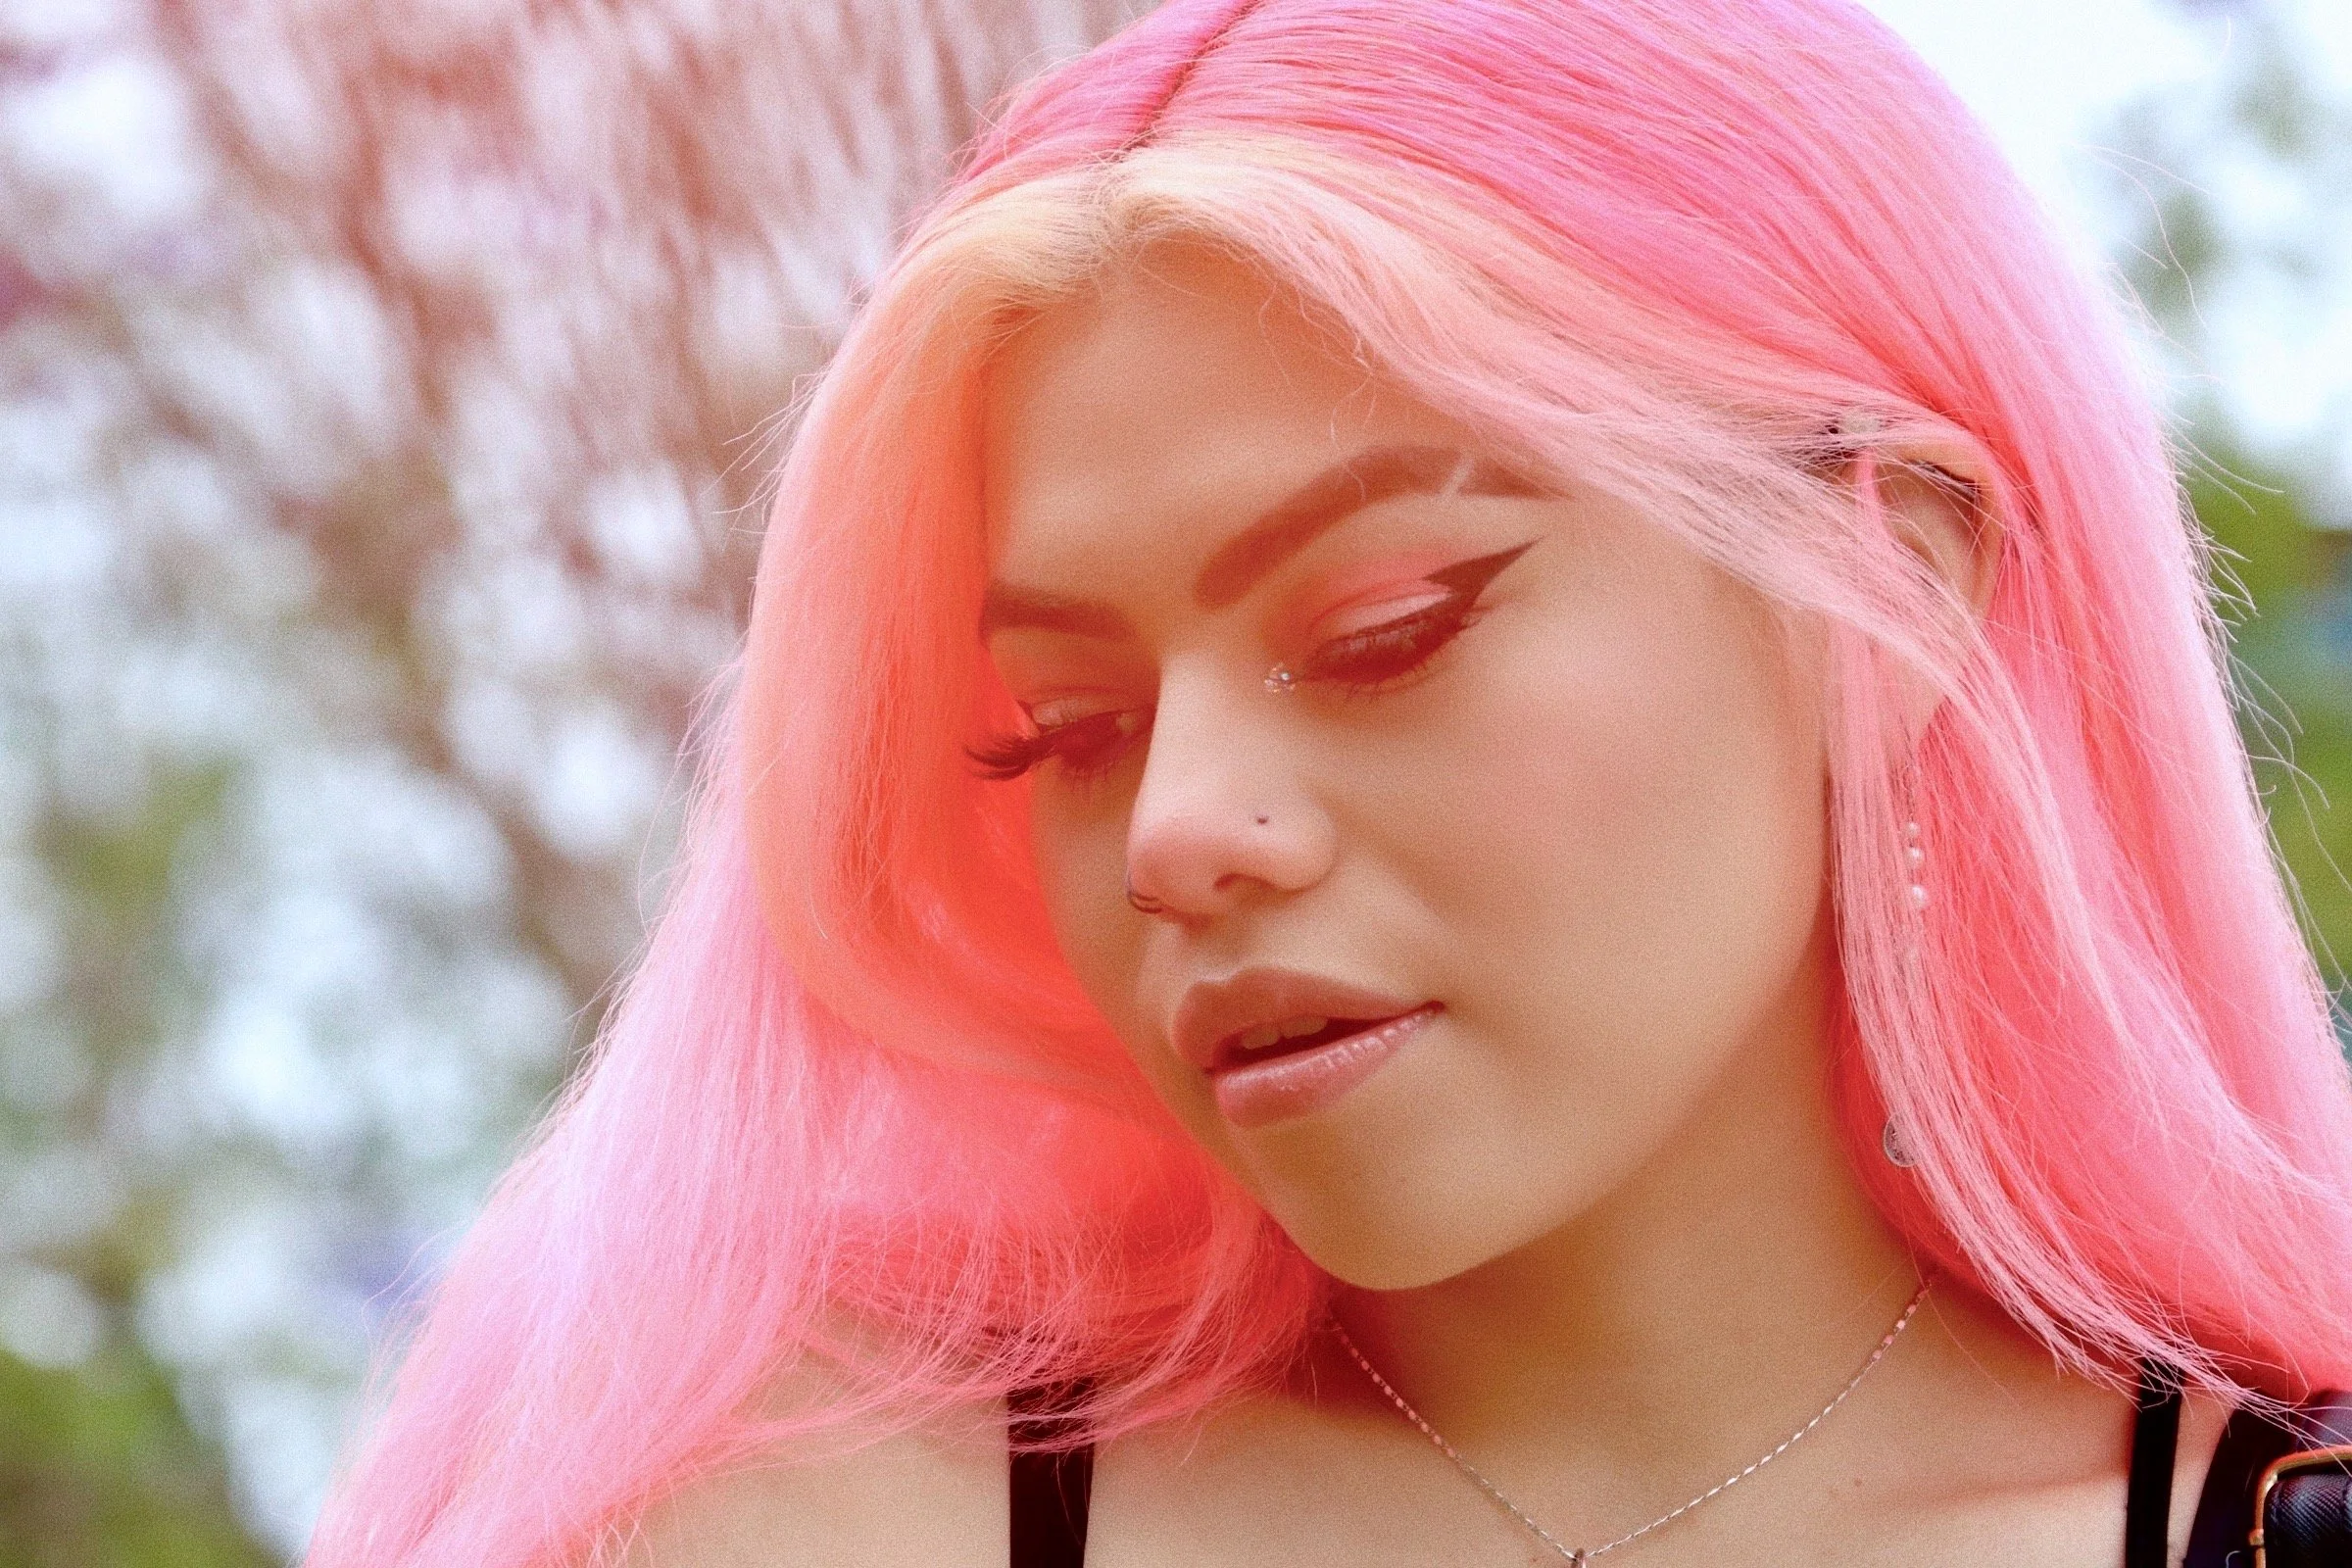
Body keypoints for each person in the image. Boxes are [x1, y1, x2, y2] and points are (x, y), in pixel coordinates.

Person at [303, 2, 2352, 1565]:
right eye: (1065, 726)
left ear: (1887, 593)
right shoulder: (802, 1507)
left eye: (1384, 625)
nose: (1179, 831)